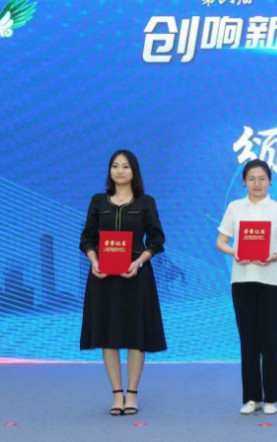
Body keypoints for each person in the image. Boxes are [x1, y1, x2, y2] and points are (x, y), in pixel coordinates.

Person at [79, 149, 167, 416]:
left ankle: (132, 394)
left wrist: (139, 261)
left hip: (136, 275)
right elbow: (87, 238)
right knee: (108, 334)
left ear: (134, 171)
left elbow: (156, 239)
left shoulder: (145, 202)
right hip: (103, 277)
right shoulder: (98, 201)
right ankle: (117, 394)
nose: (119, 171)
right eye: (115, 166)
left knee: (135, 335)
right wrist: (94, 260)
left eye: (125, 166)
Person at [216, 159, 277, 415]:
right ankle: (252, 398)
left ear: (270, 181)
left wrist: (276, 255)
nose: (257, 183)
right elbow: (221, 241)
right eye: (251, 178)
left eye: (262, 178)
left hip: (271, 281)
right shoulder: (234, 208)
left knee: (270, 340)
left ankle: (271, 398)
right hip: (242, 280)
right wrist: (235, 252)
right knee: (248, 340)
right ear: (244, 181)